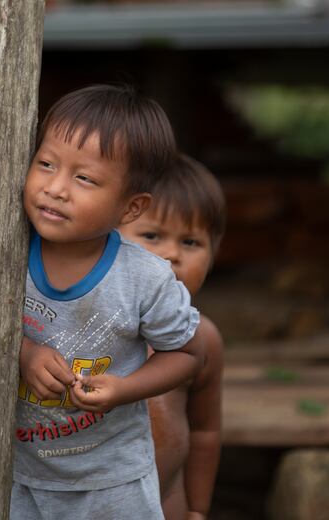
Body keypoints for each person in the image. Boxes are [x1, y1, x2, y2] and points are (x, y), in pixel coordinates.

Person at [13, 84, 204, 520]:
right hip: (16, 474)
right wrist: (23, 353)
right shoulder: (4, 252)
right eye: (46, 164)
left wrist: (125, 388)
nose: (56, 188)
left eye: (85, 178)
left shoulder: (145, 279)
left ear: (130, 208)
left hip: (112, 482)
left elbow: (190, 353)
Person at [119, 155, 225, 520]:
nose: (171, 255)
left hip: (167, 505)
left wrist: (197, 508)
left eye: (191, 242)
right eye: (152, 236)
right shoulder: (92, 326)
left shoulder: (204, 339)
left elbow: (205, 431)